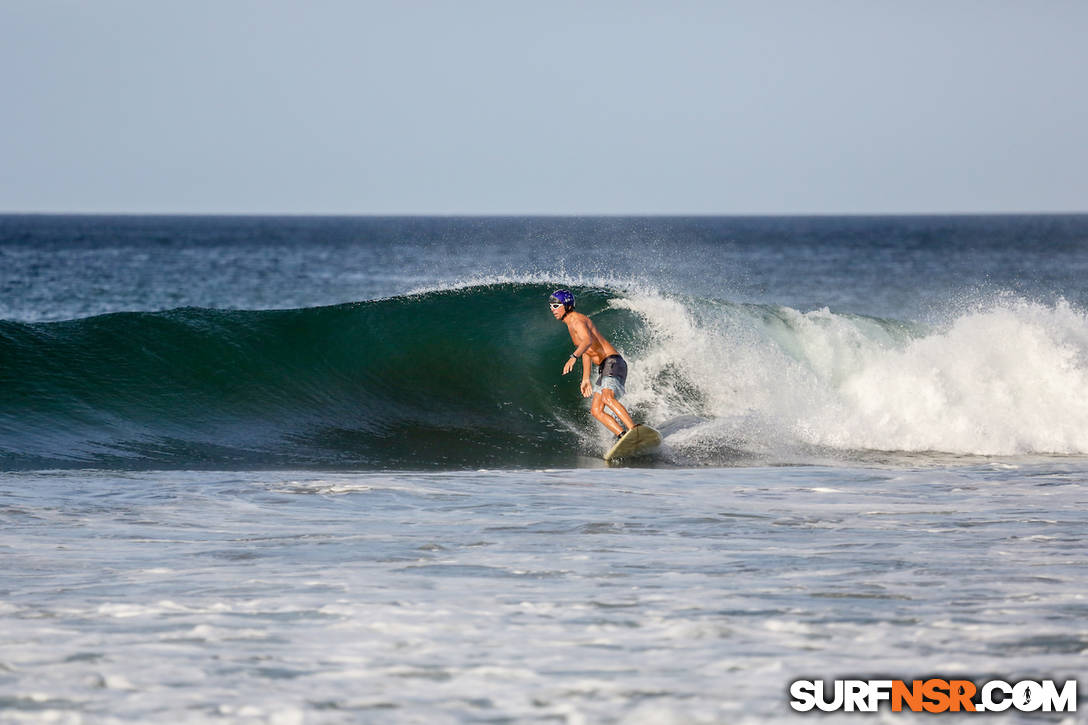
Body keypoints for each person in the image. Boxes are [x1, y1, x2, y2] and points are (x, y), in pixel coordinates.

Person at [550, 289, 639, 438]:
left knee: (607, 398)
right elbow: (588, 351)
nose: (553, 309)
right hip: (604, 367)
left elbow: (587, 341)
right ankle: (623, 436)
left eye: (556, 305)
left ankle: (634, 431)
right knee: (596, 410)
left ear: (568, 305)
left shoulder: (577, 320)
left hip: (613, 362)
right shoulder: (570, 324)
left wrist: (573, 356)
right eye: (551, 305)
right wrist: (585, 378)